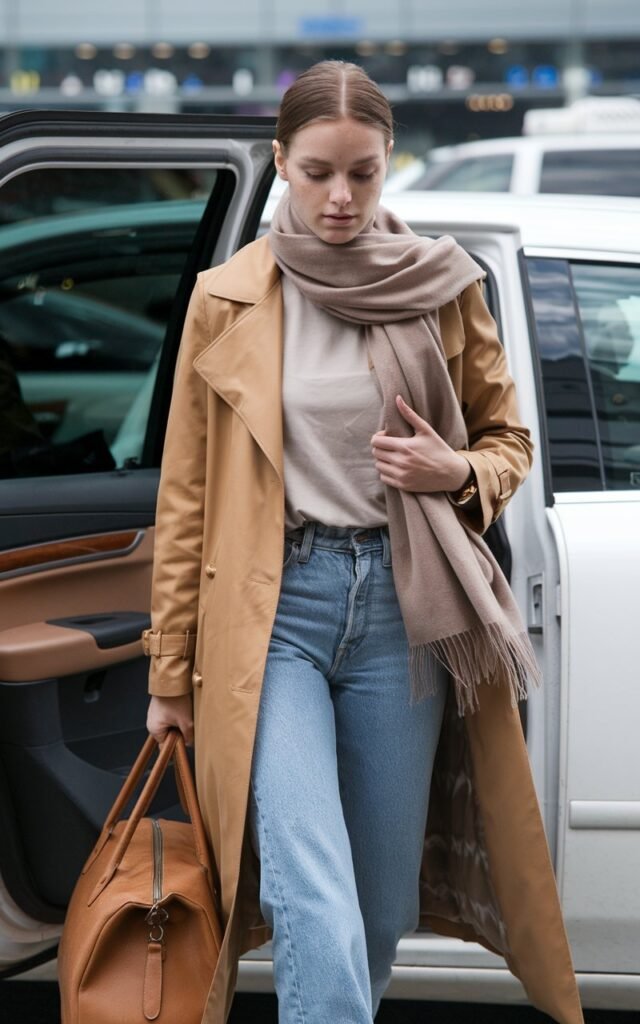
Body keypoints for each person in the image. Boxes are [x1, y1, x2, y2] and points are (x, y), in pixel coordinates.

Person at [144, 61, 583, 1024]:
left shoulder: (441, 282)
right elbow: (186, 503)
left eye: (363, 173)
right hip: (276, 613)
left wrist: (453, 473)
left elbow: (508, 442)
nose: (340, 197)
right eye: (315, 173)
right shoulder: (229, 298)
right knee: (314, 897)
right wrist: (168, 678)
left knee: (379, 910)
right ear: (279, 165)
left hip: (403, 612)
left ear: (389, 165)